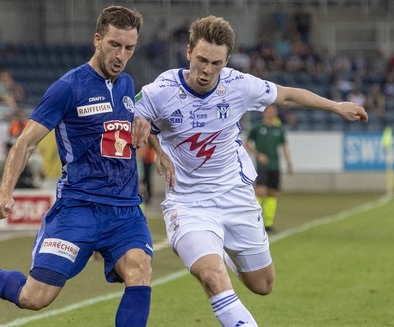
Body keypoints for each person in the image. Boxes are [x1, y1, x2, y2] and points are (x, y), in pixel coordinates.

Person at [134, 16, 368, 327]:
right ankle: (215, 259)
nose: (206, 70)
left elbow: (286, 95)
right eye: (201, 60)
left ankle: (226, 254)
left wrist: (335, 106)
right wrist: (157, 146)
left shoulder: (239, 85)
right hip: (189, 205)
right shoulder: (160, 91)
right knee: (211, 274)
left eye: (215, 63)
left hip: (236, 197)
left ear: (227, 60)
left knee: (263, 285)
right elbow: (131, 118)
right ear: (188, 52)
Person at [0, 6, 153, 327]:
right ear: (97, 39)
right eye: (114, 45)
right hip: (78, 210)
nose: (121, 55)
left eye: (129, 48)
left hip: (124, 211)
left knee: (139, 269)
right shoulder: (69, 87)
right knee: (34, 298)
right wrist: (5, 192)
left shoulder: (126, 85)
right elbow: (25, 142)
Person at [245, 105, 293, 233]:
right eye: (268, 111)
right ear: (264, 113)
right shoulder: (257, 128)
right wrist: (258, 155)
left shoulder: (279, 129)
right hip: (262, 166)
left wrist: (289, 163)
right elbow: (247, 143)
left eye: (273, 111)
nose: (270, 113)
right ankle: (253, 220)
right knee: (260, 192)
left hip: (275, 165)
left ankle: (268, 223)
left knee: (272, 193)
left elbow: (284, 147)